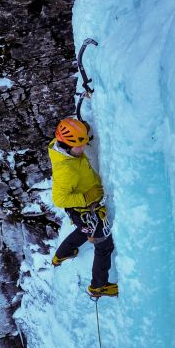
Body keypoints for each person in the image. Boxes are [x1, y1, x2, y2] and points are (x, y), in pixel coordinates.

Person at [48, 117, 118, 298]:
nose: (83, 148)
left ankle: (62, 255)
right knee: (104, 246)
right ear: (66, 145)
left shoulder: (63, 147)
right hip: (85, 211)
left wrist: (83, 133)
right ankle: (98, 286)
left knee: (82, 231)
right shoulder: (66, 169)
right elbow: (59, 198)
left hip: (83, 212)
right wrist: (87, 197)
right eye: (80, 145)